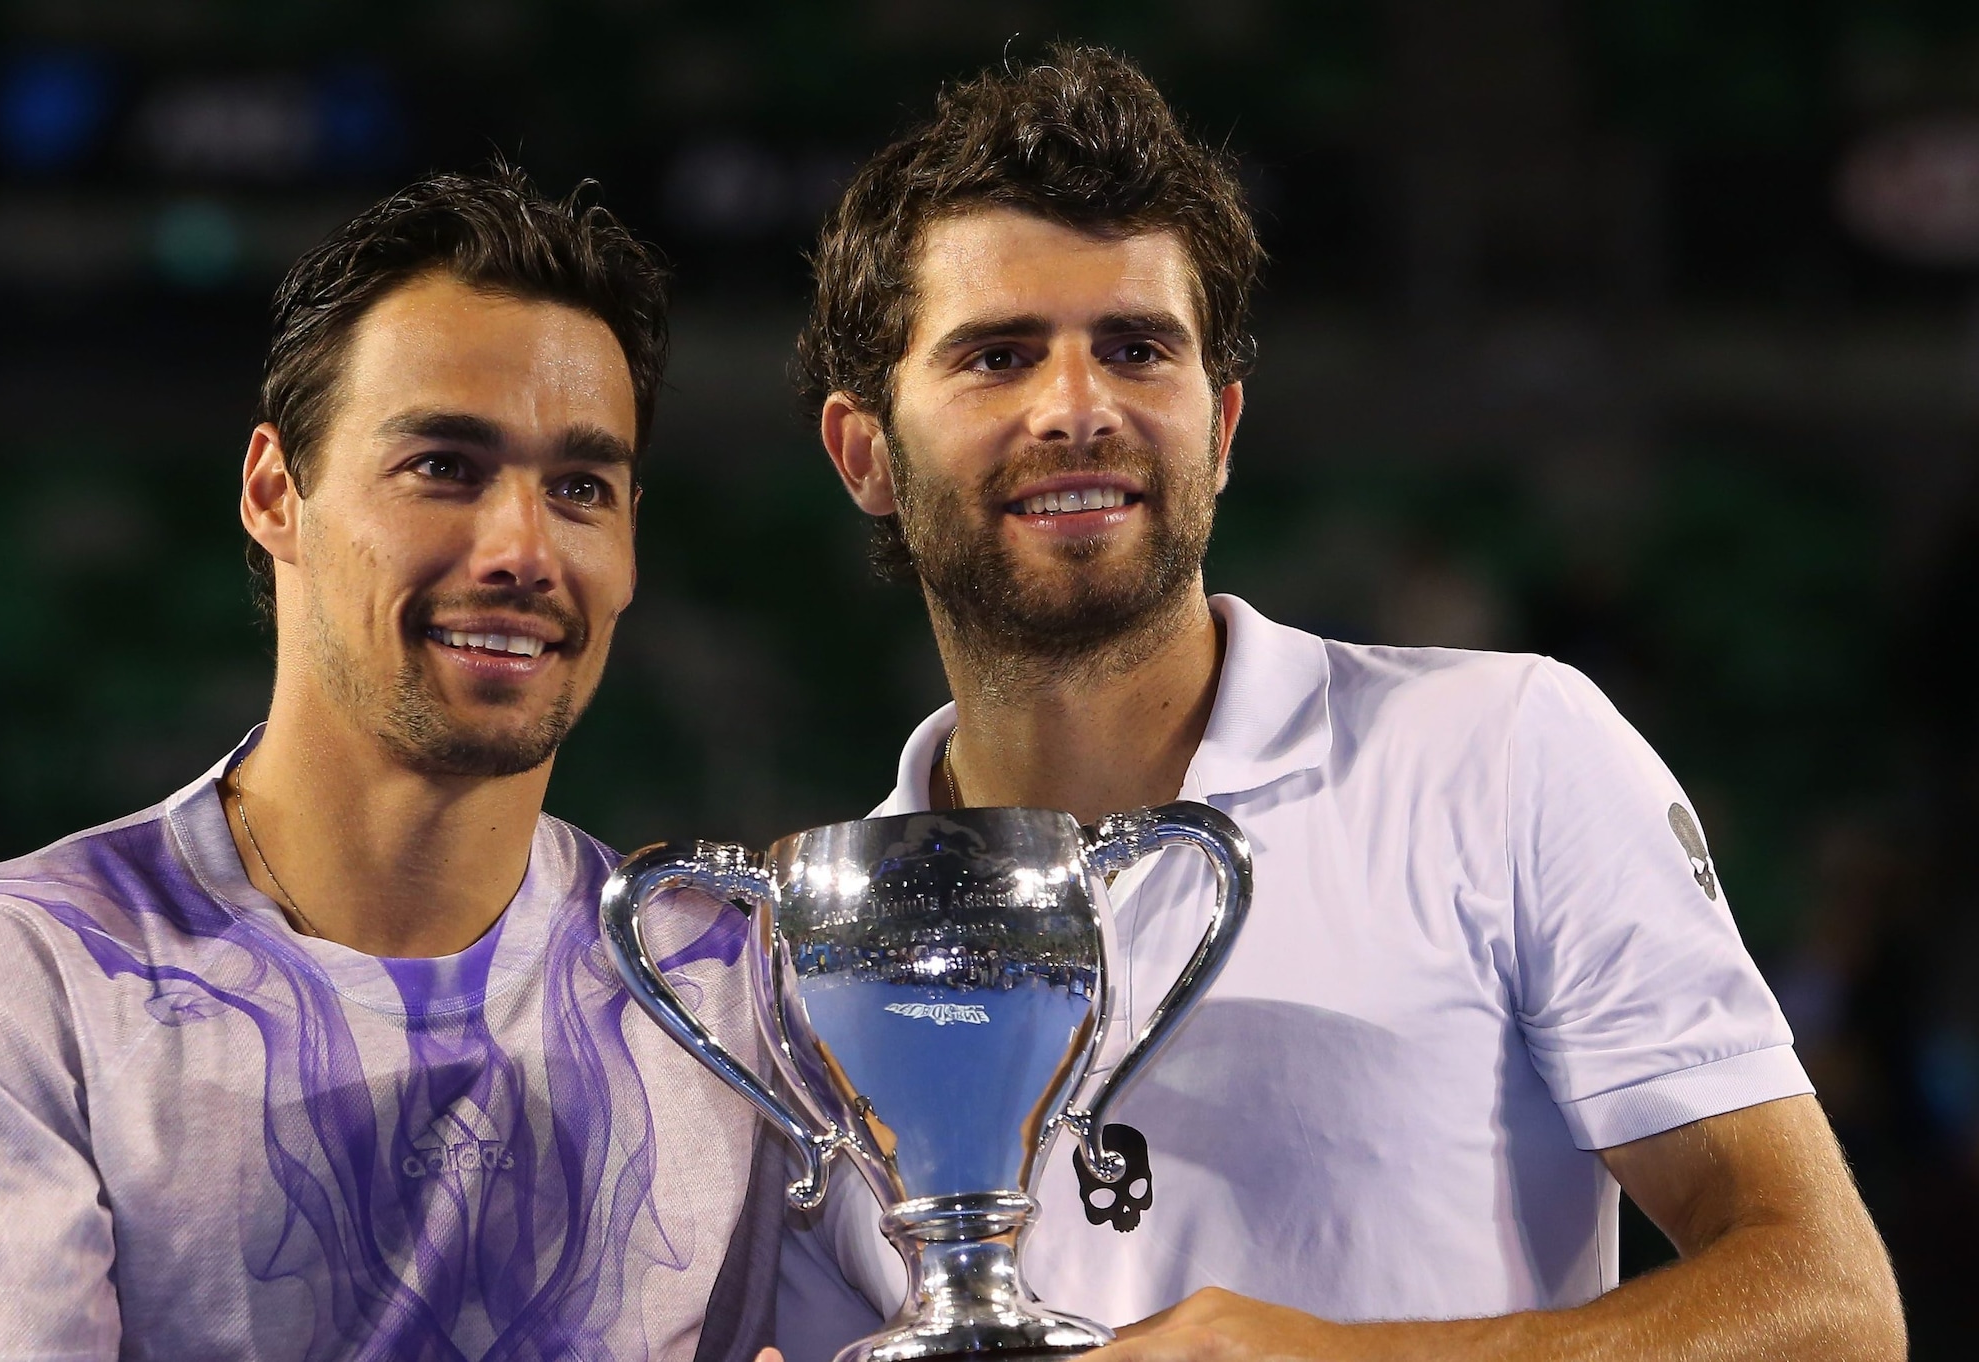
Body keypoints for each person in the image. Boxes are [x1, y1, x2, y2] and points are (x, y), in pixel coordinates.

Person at [775, 46, 1904, 1362]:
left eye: (1138, 348)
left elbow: (1831, 1305)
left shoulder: (1506, 753)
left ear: (1224, 423)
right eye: (998, 355)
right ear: (865, 453)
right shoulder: (810, 949)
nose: (1076, 408)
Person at [0, 166, 780, 1361]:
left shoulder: (719, 990)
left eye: (580, 487)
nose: (521, 549)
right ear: (277, 493)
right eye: (444, 465)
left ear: (632, 546)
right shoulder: (18, 978)